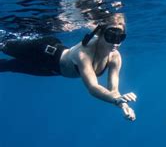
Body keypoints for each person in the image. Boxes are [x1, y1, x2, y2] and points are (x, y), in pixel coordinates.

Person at [0, 13, 137, 121]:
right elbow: (93, 87)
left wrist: (123, 105)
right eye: (111, 36)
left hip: (51, 69)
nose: (115, 43)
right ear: (100, 34)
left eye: (120, 38)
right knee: (3, 44)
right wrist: (116, 100)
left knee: (6, 66)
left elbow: (113, 90)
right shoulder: (84, 53)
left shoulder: (115, 57)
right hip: (43, 50)